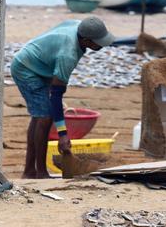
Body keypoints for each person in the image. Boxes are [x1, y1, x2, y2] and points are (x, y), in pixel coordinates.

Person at [11, 16, 115, 178]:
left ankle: (30, 171)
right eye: (98, 42)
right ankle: (40, 173)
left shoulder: (79, 26)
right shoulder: (68, 55)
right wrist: (63, 134)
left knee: (39, 116)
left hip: (38, 64)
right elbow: (56, 95)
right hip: (27, 69)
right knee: (45, 117)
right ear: (86, 40)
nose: (102, 45)